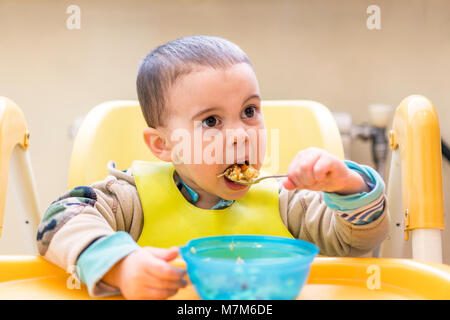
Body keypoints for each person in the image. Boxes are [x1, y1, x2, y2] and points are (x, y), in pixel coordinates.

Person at [36, 35, 389, 300]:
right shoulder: (131, 200)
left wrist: (348, 185)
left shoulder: (287, 200)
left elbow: (356, 241)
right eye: (211, 121)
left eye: (249, 112)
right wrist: (120, 265)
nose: (239, 136)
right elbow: (59, 220)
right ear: (164, 145)